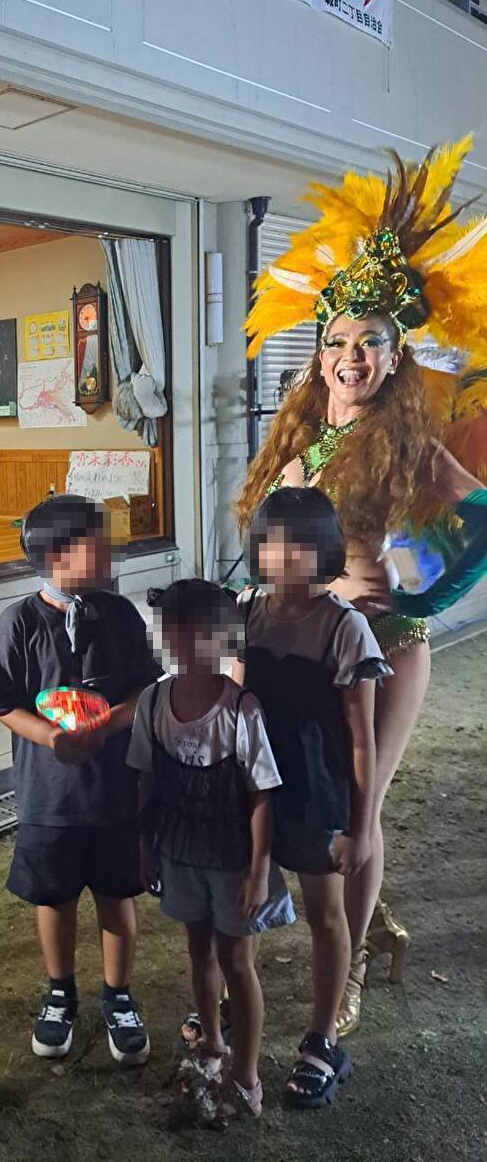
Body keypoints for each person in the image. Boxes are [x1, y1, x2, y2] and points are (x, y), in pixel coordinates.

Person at [237, 139, 486, 1035]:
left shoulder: (410, 443)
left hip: (383, 649)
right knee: (306, 796)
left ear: (395, 354)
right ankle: (372, 926)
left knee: (358, 806)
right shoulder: (292, 437)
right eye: (337, 340)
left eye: (370, 343)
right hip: (299, 641)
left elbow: (481, 516)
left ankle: (341, 982)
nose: (350, 356)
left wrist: (414, 597)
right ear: (319, 351)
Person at [0, 494, 157, 1065]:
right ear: (57, 555)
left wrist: (108, 726)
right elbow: (2, 702)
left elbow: (144, 689)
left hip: (114, 788)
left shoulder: (121, 616)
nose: (110, 551)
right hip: (47, 796)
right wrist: (53, 737)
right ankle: (59, 992)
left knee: (116, 892)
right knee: (52, 894)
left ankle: (118, 994)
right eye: (96, 543)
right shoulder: (21, 622)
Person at [238, 487, 389, 1108]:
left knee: (327, 915)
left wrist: (362, 825)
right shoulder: (246, 610)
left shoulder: (343, 626)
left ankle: (323, 1039)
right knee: (240, 905)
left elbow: (361, 741)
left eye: (300, 543)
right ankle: (232, 1014)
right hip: (253, 790)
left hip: (316, 793)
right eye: (272, 541)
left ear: (323, 551)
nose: (284, 555)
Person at [127, 579, 293, 1120]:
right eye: (176, 633)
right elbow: (145, 781)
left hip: (232, 857)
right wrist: (146, 845)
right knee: (198, 949)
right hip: (179, 850)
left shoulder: (241, 710)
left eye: (200, 635)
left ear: (224, 639)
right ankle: (213, 1046)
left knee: (238, 961)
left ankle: (246, 1078)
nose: (186, 646)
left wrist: (260, 868)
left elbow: (261, 794)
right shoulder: (154, 702)